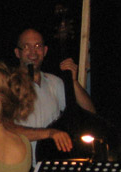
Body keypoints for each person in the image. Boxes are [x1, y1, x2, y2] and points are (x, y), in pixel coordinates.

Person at [12, 27, 95, 161]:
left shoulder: (55, 82)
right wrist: (48, 133)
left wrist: (73, 82)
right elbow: (4, 129)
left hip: (49, 161)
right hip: (19, 164)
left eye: (38, 46)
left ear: (45, 51)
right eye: (26, 47)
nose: (33, 52)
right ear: (18, 53)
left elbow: (89, 112)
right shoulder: (7, 84)